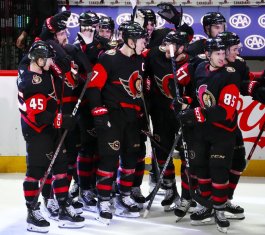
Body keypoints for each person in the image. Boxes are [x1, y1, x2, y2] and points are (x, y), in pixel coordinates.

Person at [17, 40, 85, 233]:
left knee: (61, 167)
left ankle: (63, 207)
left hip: (52, 130)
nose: (50, 62)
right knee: (36, 171)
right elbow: (38, 116)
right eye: (47, 59)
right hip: (37, 131)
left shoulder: (45, 73)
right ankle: (32, 212)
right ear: (38, 60)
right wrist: (62, 121)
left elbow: (67, 83)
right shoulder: (29, 80)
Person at [176, 38, 240, 233]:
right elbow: (197, 95)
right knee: (201, 168)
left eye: (224, 54)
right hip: (202, 130)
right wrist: (184, 101)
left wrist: (195, 114)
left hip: (223, 131)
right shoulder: (200, 68)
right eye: (218, 54)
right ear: (208, 54)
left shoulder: (230, 75)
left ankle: (219, 210)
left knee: (218, 169)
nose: (222, 58)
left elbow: (225, 110)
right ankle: (205, 205)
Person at [85, 21, 147, 225]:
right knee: (109, 159)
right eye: (141, 39)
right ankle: (103, 200)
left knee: (131, 157)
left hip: (132, 119)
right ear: (130, 41)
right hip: (113, 117)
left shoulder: (139, 61)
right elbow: (93, 87)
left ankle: (124, 195)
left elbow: (138, 91)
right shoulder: (109, 59)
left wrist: (143, 117)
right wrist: (98, 112)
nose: (144, 43)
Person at [144, 30, 192, 212]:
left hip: (182, 117)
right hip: (160, 113)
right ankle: (170, 189)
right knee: (162, 152)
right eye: (165, 43)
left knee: (187, 154)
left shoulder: (191, 62)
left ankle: (188, 195)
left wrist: (186, 103)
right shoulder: (155, 54)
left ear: (182, 48)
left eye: (172, 45)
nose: (166, 48)